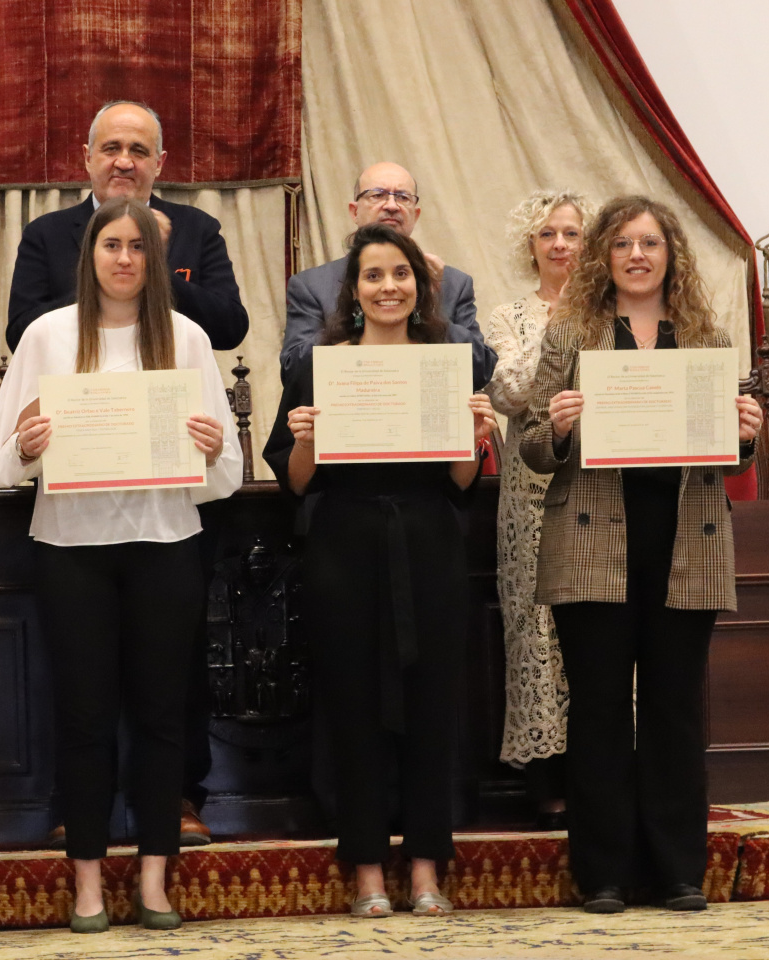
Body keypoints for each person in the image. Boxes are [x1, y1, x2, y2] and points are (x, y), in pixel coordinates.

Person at [0, 197, 243, 932]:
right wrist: (29, 446)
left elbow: (226, 475)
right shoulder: (46, 335)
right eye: (112, 245)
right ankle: (90, 884)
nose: (125, 258)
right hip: (71, 548)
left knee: (162, 717)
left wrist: (208, 448)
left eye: (137, 247)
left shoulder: (187, 337)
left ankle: (155, 879)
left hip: (166, 543)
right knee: (84, 718)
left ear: (155, 259)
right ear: (89, 256)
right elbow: (3, 462)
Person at [518, 196, 762, 914]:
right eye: (623, 243)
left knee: (674, 709)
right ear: (604, 255)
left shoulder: (708, 340)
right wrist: (558, 427)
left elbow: (727, 456)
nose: (636, 255)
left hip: (685, 541)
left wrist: (746, 434)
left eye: (650, 243)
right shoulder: (572, 334)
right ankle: (603, 874)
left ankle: (677, 871)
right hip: (592, 540)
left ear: (670, 255)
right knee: (597, 710)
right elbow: (531, 446)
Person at [265, 223, 496, 918]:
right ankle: (367, 871)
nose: (389, 286)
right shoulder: (320, 366)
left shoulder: (447, 363)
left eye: (401, 273)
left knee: (433, 709)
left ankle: (426, 869)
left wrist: (474, 440)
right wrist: (307, 441)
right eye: (374, 275)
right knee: (353, 710)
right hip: (343, 548)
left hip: (429, 545)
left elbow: (460, 483)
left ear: (420, 286)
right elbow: (295, 482)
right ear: (354, 289)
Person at [484, 190, 586, 827]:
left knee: (597, 623)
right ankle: (547, 776)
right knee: (535, 626)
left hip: (600, 487)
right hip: (529, 490)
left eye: (571, 233)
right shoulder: (509, 316)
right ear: (531, 245)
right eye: (547, 234)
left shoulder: (616, 312)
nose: (560, 245)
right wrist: (559, 321)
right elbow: (510, 392)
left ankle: (604, 769)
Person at [6, 101, 249, 353]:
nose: (123, 162)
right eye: (111, 149)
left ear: (159, 163)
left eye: (138, 151)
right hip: (76, 374)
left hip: (168, 374)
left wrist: (155, 273)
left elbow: (230, 330)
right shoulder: (45, 233)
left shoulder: (197, 228)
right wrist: (102, 285)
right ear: (88, 157)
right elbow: (19, 335)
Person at [281, 162, 496, 387]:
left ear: (416, 214)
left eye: (403, 197)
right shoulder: (312, 285)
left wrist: (426, 302)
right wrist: (358, 324)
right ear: (354, 211)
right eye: (378, 195)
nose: (392, 205)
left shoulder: (453, 282)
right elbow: (293, 372)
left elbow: (481, 371)